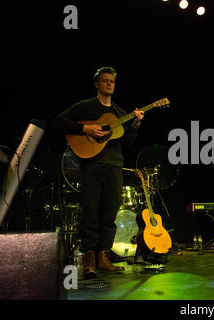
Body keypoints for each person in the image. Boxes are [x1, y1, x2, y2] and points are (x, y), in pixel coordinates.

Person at [53, 67, 145, 279]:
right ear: (97, 83)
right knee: (90, 212)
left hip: (114, 166)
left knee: (109, 212)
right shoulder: (85, 107)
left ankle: (103, 257)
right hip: (92, 165)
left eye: (112, 81)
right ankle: (89, 260)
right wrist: (85, 129)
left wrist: (136, 125)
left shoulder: (121, 113)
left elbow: (127, 143)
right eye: (105, 81)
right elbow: (59, 121)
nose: (109, 84)